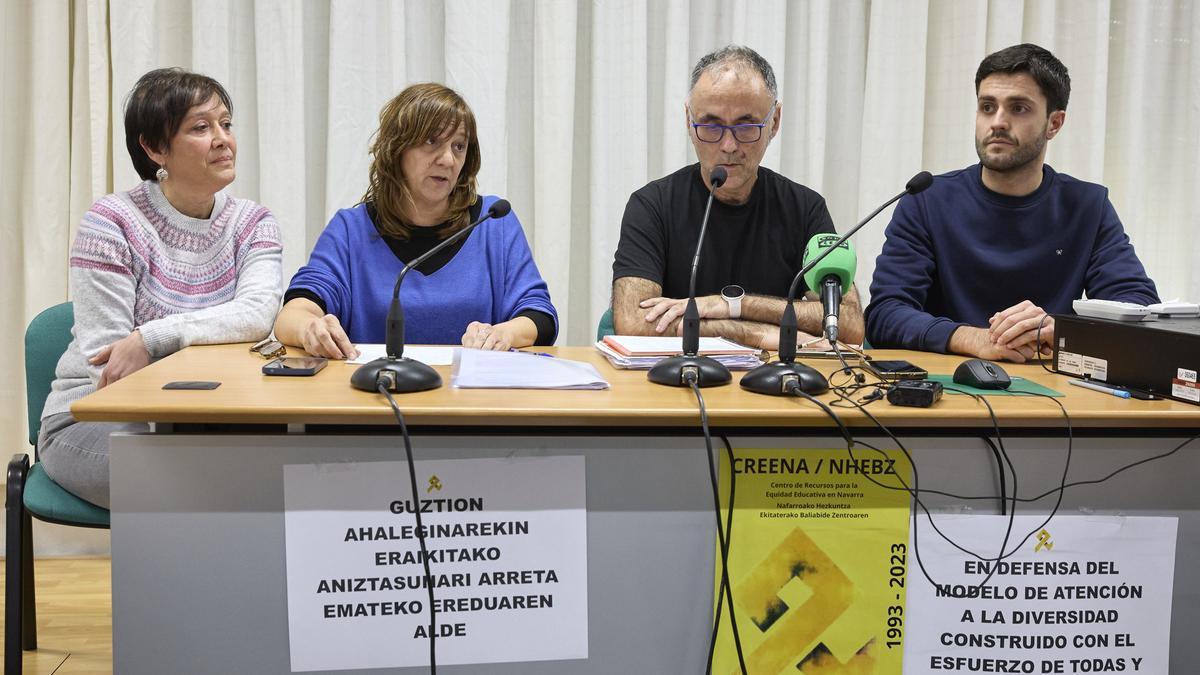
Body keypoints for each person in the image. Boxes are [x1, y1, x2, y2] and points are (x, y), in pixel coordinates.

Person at [39, 68, 284, 508]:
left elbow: (257, 314)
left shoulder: (254, 223)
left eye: (226, 124)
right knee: (214, 482)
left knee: (290, 464)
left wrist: (151, 338)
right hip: (92, 419)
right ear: (154, 148)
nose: (223, 139)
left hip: (211, 419)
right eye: (200, 127)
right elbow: (111, 373)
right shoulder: (111, 223)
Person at [866, 44, 1159, 361]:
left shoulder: (1088, 206)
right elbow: (885, 313)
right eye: (987, 107)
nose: (998, 122)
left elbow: (1138, 307)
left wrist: (1062, 331)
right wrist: (973, 338)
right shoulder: (925, 200)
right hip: (948, 381)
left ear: (1054, 123)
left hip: (1048, 383)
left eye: (1018, 108)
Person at [611, 45, 864, 350]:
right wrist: (760, 334)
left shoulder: (805, 209)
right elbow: (633, 324)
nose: (729, 146)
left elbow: (848, 323)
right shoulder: (652, 205)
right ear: (688, 121)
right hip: (681, 375)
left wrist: (732, 304)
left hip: (775, 378)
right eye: (711, 126)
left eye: (745, 126)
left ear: (774, 122)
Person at [274, 83, 556, 357]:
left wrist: (504, 334)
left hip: (473, 388)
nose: (448, 160)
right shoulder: (351, 229)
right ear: (397, 149)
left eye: (459, 146)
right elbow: (293, 314)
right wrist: (310, 328)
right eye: (431, 141)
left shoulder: (493, 221)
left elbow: (539, 315)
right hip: (376, 387)